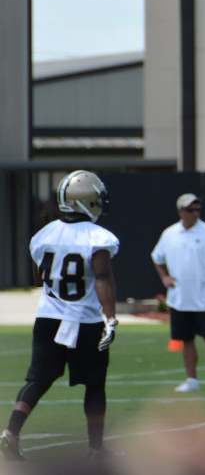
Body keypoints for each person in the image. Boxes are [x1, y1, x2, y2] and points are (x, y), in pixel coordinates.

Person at [1, 170, 121, 461]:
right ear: (87, 201)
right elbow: (102, 277)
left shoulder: (43, 235)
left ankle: (10, 433)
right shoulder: (98, 237)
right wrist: (111, 318)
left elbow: (39, 277)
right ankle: (95, 448)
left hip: (48, 319)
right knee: (94, 383)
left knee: (38, 380)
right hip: (84, 321)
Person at [151, 193, 205, 393]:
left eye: (197, 209)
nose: (195, 213)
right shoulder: (169, 234)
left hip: (203, 299)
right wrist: (164, 277)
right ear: (181, 212)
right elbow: (156, 257)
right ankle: (192, 380)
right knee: (186, 340)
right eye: (190, 210)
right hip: (179, 299)